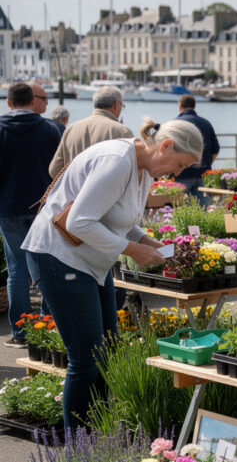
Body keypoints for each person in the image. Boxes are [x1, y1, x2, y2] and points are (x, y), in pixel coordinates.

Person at [22, 119, 203, 429]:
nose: (177, 174)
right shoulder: (118, 161)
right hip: (58, 258)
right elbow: (79, 222)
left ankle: (102, 433)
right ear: (166, 146)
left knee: (107, 353)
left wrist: (151, 243)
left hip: (91, 263)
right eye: (180, 164)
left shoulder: (144, 167)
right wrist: (132, 250)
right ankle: (78, 445)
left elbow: (120, 220)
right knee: (85, 360)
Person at [0, 83, 62, 347]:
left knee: (16, 270)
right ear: (31, 101)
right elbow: (61, 170)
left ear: (9, 103)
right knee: (45, 266)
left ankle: (21, 332)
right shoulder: (51, 129)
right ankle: (46, 323)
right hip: (42, 207)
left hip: (8, 206)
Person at [49, 86, 133, 178]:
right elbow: (132, 172)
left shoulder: (71, 129)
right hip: (106, 192)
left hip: (75, 191)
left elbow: (54, 170)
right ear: (116, 105)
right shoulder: (122, 132)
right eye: (122, 106)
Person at [174, 95, 220, 205]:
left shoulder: (175, 124)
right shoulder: (206, 123)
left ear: (180, 106)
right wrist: (206, 165)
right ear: (194, 106)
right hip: (203, 174)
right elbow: (215, 149)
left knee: (178, 208)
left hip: (182, 175)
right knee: (203, 209)